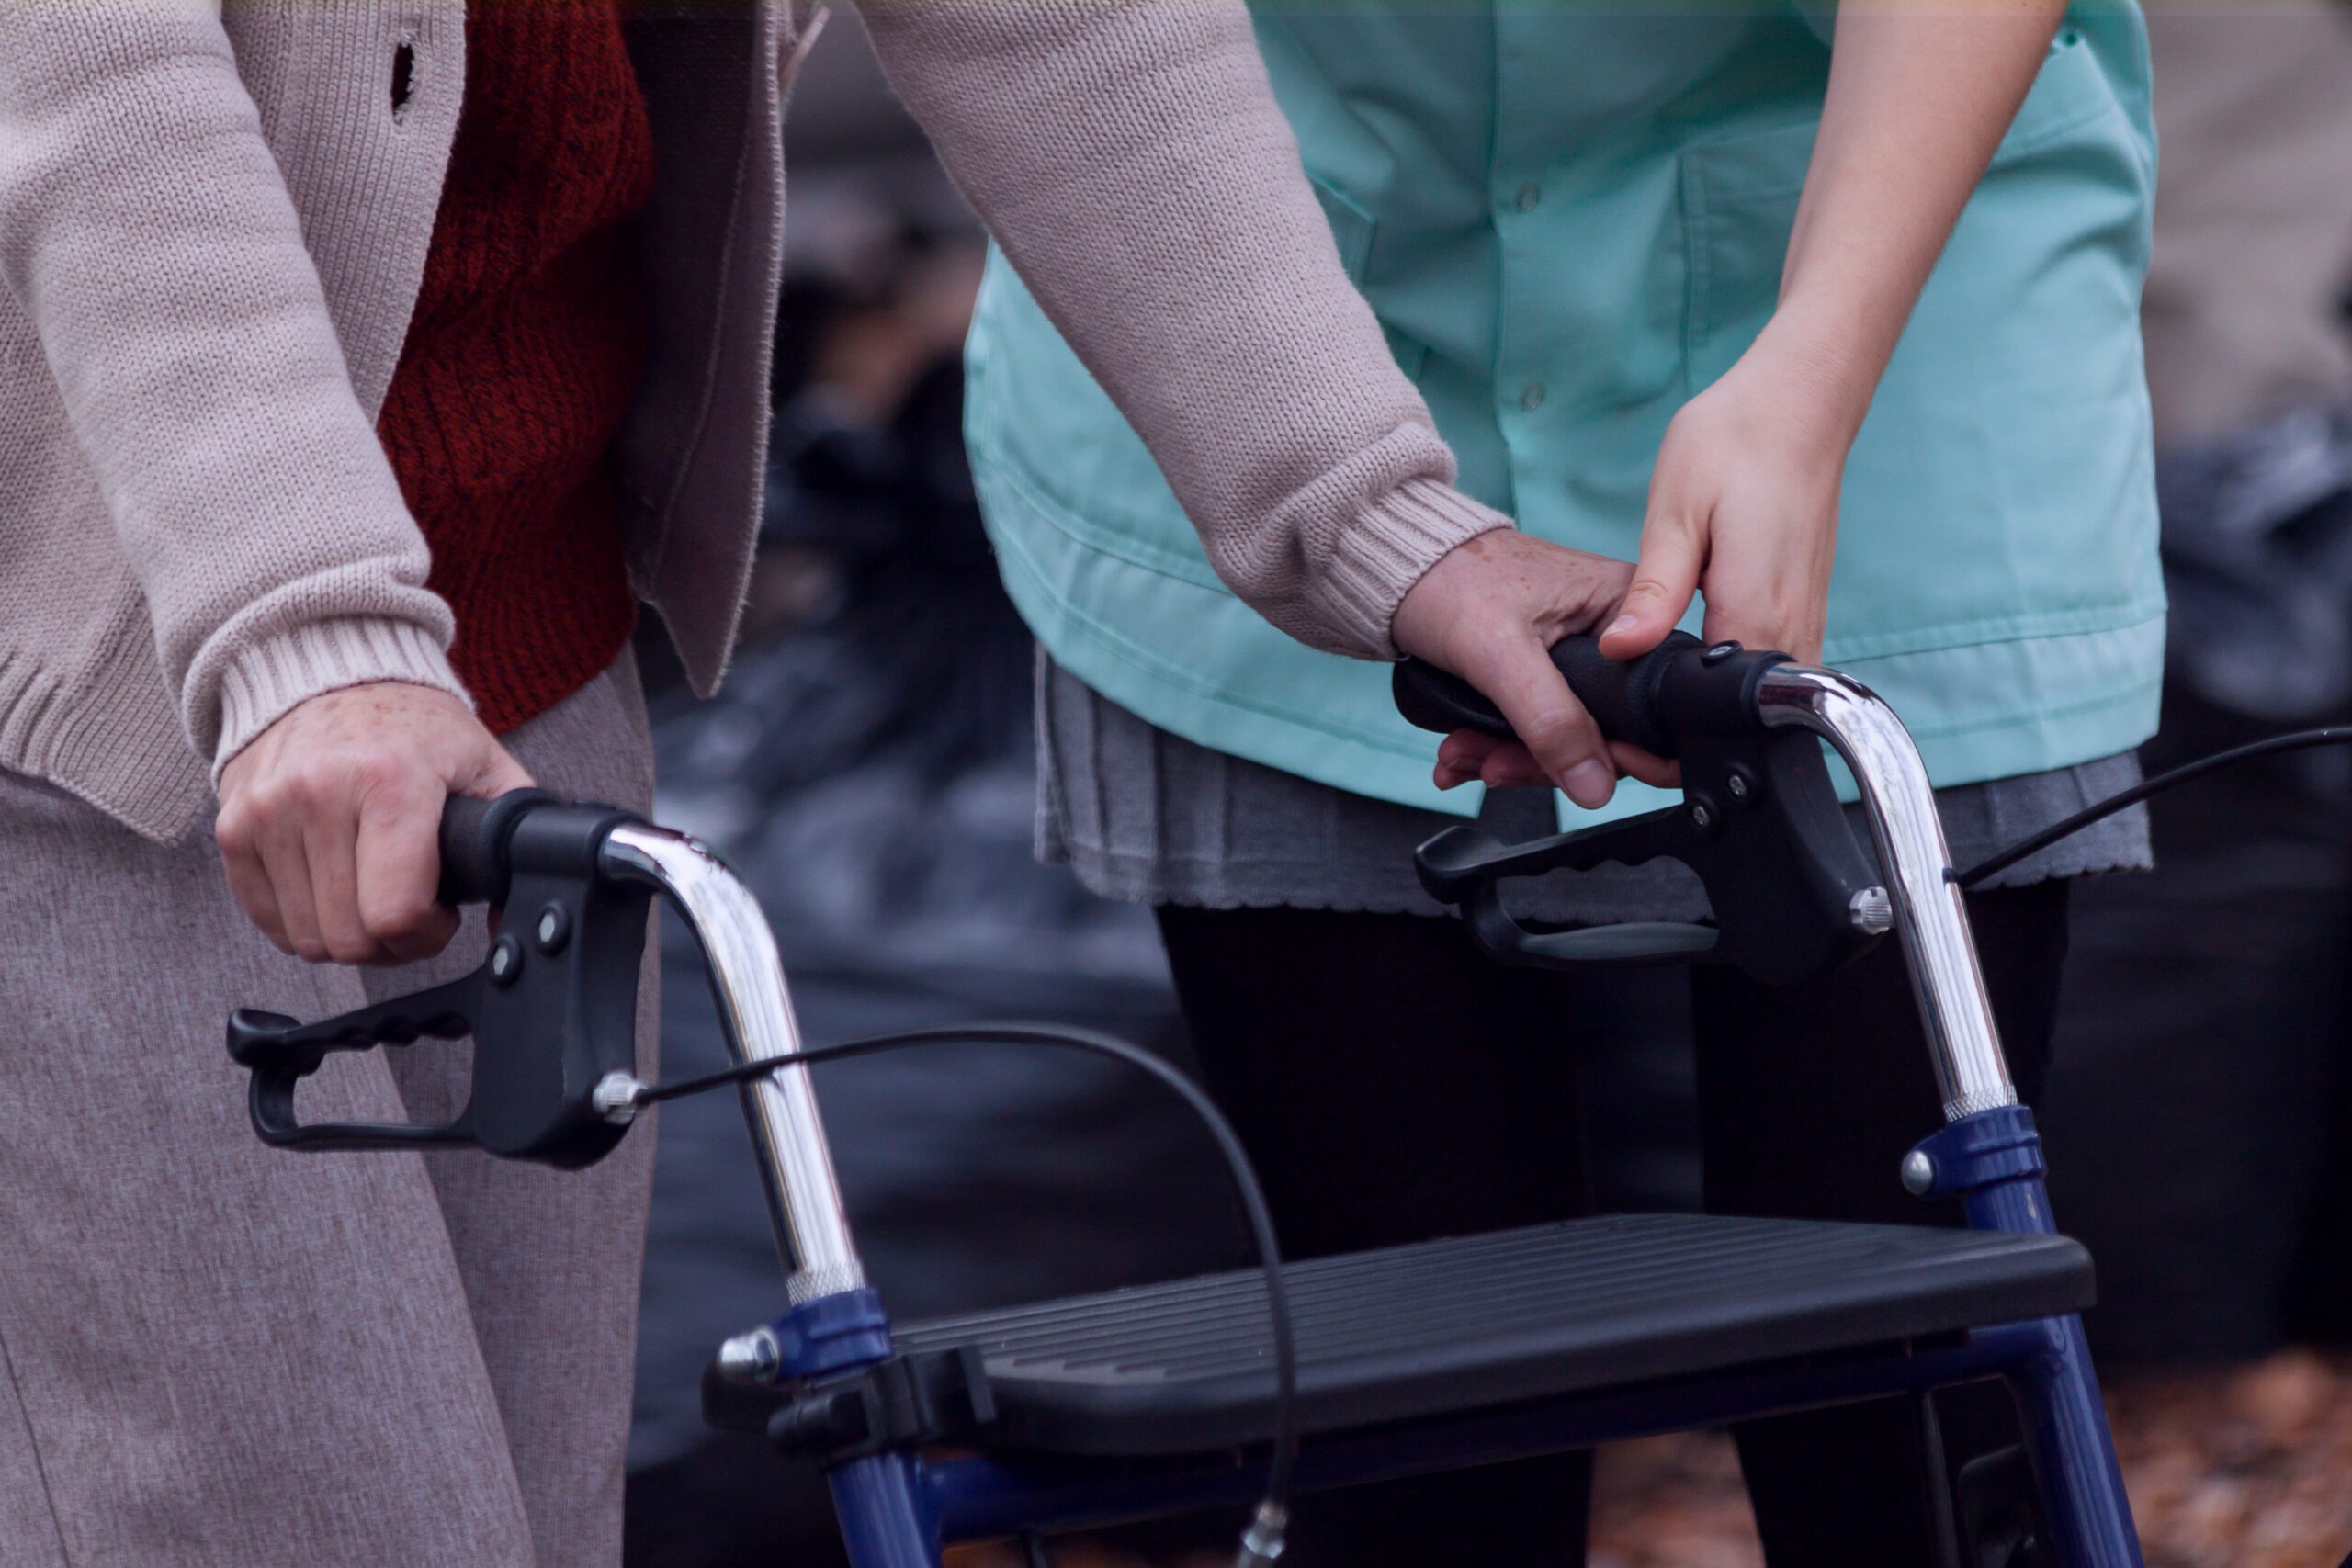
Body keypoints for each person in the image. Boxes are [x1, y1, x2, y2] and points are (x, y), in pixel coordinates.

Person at [0, 2, 2144, 1563]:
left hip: (506, 632)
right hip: (127, 656)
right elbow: (90, 63)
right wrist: (296, 618)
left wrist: (1377, 521)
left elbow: (1050, 15)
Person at [907, 4, 2163, 1564]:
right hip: (1252, 312)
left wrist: (1814, 377)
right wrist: (1347, 514)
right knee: (1412, 1461)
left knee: (1913, 1446)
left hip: (1876, 320)